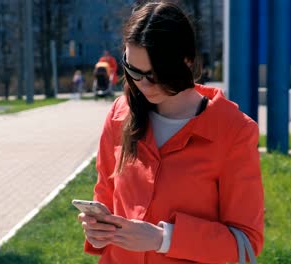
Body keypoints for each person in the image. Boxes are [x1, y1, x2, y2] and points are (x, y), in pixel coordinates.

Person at [77, 2, 264, 264]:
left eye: (154, 74)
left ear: (186, 60)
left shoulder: (233, 131)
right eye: (133, 70)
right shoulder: (120, 114)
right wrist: (97, 230)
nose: (141, 84)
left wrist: (162, 239)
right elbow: (105, 199)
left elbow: (245, 242)